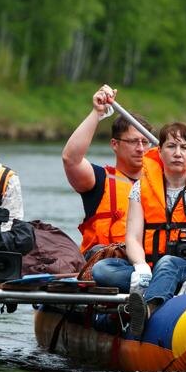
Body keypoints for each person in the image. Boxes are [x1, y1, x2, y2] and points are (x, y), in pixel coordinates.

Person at [91, 122, 186, 336]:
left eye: (184, 147)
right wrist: (140, 266)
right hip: (149, 271)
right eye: (171, 146)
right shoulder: (140, 189)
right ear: (159, 152)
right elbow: (132, 238)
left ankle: (148, 311)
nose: (177, 153)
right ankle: (160, 291)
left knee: (168, 263)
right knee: (102, 269)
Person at [62, 85, 152, 258]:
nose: (141, 148)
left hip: (150, 264)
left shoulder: (161, 183)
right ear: (114, 144)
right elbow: (70, 159)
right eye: (133, 142)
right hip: (109, 265)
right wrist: (97, 112)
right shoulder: (100, 180)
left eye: (145, 142)